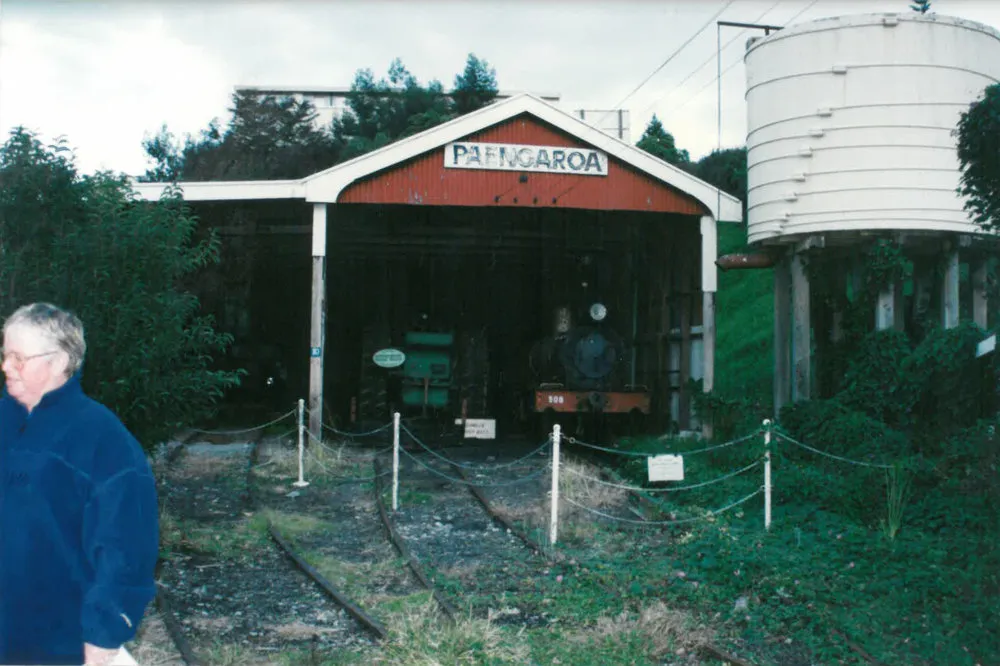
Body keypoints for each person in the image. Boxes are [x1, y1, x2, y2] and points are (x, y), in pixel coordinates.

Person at [0, 303, 159, 665]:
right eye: (4, 354)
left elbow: (125, 550)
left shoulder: (104, 440)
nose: (6, 367)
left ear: (59, 362)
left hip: (59, 643)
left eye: (18, 358)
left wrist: (104, 635)